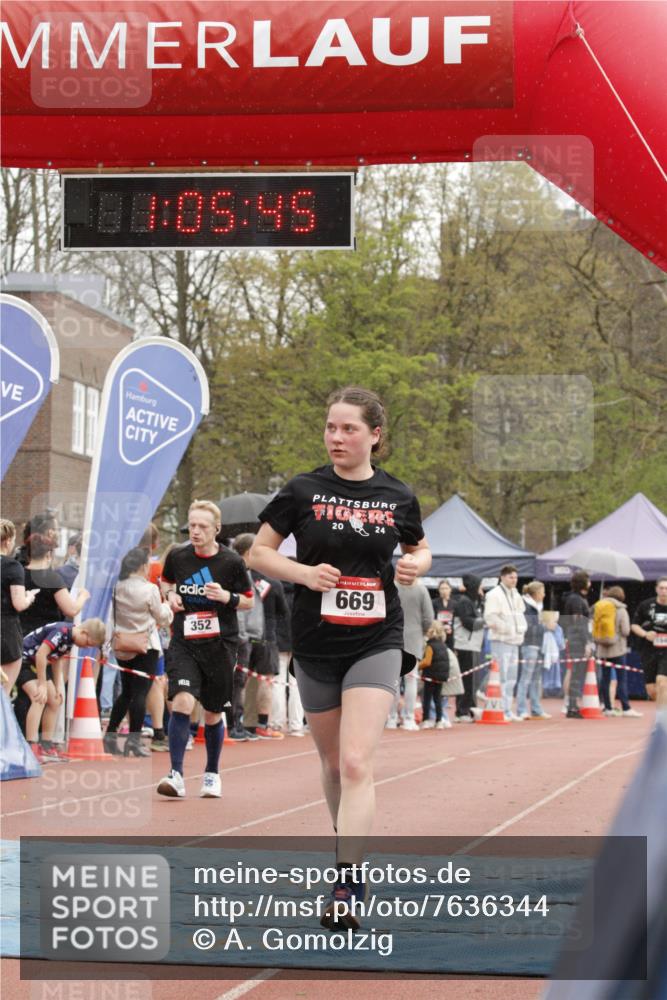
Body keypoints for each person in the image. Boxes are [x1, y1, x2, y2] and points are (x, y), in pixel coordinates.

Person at [249, 386, 431, 930]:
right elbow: (259, 551)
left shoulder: (397, 494)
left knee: (355, 761)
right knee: (331, 765)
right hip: (315, 641)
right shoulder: (302, 490)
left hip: (377, 638)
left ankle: (347, 880)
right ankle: (348, 850)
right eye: (331, 427)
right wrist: (303, 573)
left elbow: (419, 545)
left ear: (375, 435)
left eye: (348, 428)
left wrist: (417, 563)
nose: (336, 437)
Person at [157, 500, 254, 799]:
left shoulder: (232, 562)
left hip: (220, 644)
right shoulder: (178, 556)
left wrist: (227, 597)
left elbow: (249, 600)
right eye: (192, 525)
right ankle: (176, 775)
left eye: (202, 526)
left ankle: (211, 773)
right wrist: (171, 595)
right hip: (184, 641)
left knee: (212, 713)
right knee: (183, 701)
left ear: (216, 529)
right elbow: (165, 582)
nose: (195, 531)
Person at [104, 547, 174, 757]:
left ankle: (110, 735)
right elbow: (161, 617)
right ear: (143, 566)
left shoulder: (116, 587)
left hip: (123, 643)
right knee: (140, 693)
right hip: (146, 645)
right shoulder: (150, 589)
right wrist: (169, 606)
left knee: (126, 692)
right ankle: (133, 742)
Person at [16, 618, 106, 762]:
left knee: (55, 701)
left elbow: (57, 659)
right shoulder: (61, 632)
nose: (86, 647)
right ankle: (31, 746)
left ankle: (46, 744)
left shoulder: (71, 639)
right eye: (88, 643)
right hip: (23, 661)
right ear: (84, 632)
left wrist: (58, 686)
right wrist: (42, 685)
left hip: (38, 664)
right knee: (39, 697)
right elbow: (40, 654)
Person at [19, 533, 90, 637]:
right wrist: (83, 596)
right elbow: (71, 610)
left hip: (20, 636)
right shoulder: (52, 578)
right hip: (44, 638)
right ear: (48, 554)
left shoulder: (18, 575)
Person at [387, 574, 432, 730]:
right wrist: (422, 632)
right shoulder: (421, 590)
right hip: (414, 641)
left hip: (392, 639)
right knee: (411, 681)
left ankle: (391, 718)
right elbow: (428, 618)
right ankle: (409, 718)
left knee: (393, 682)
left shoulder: (391, 587)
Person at [483, 565, 527, 721]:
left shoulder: (515, 594)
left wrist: (521, 629)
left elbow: (520, 614)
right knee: (501, 676)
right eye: (511, 577)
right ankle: (500, 708)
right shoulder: (494, 595)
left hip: (515, 641)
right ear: (502, 577)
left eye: (515, 577)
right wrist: (507, 629)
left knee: (511, 678)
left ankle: (508, 709)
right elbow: (490, 617)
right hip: (501, 640)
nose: (514, 580)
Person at [591, 585, 639, 717]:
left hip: (602, 650)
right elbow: (626, 630)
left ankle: (607, 707)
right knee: (621, 679)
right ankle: (626, 707)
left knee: (605, 679)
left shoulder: (599, 607)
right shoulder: (621, 610)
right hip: (618, 649)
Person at [1, 520, 36, 696]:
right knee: (3, 694)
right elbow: (19, 603)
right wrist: (29, 597)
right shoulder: (12, 566)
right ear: (7, 541)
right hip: (6, 633)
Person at [631, 577, 667, 717]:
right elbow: (634, 625)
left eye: (666, 588)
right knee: (652, 690)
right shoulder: (646, 605)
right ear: (656, 589)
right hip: (649, 650)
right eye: (661, 588)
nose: (664, 591)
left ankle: (662, 721)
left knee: (662, 682)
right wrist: (646, 634)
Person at [516, 581, 552, 720]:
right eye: (543, 592)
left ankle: (536, 708)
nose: (544, 594)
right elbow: (528, 627)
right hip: (529, 644)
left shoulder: (537, 607)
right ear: (536, 593)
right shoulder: (526, 606)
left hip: (538, 644)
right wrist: (545, 626)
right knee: (526, 678)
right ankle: (521, 709)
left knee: (536, 679)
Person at [561, 571, 592, 719]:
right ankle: (572, 706)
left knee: (577, 674)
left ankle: (573, 704)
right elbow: (579, 622)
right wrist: (586, 642)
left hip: (576, 639)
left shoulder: (577, 599)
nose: (590, 583)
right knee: (577, 674)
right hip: (577, 641)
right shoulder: (576, 600)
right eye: (588, 580)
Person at [453, 575, 484, 722]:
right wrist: (484, 621)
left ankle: (470, 709)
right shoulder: (464, 602)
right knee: (466, 679)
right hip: (464, 645)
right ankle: (462, 711)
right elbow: (468, 622)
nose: (481, 589)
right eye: (479, 586)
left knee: (472, 680)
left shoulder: (472, 601)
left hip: (472, 645)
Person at [418, 620, 450, 728]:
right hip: (441, 676)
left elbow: (427, 661)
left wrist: (417, 666)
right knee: (438, 698)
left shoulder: (430, 646)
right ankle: (439, 720)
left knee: (427, 698)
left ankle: (426, 719)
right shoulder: (443, 645)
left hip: (430, 676)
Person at [432, 580, 455, 649]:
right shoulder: (434, 603)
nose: (444, 591)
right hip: (438, 634)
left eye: (446, 588)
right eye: (442, 588)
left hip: (451, 634)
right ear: (439, 590)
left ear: (450, 589)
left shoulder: (455, 603)